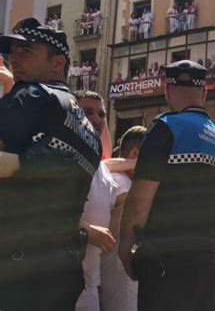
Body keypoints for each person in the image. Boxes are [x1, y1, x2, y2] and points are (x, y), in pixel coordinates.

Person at [0, 17, 102, 310]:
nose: (15, 62)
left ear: (57, 64)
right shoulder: (89, 131)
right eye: (12, 53)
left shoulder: (32, 94)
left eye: (27, 53)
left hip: (14, 261)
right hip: (62, 266)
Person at [119, 60, 215, 311]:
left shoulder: (165, 127)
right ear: (204, 92)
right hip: (208, 262)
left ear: (167, 91)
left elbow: (140, 200)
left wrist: (125, 247)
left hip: (166, 261)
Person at [74, 91, 118, 311]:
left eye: (102, 115)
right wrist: (86, 233)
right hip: (56, 285)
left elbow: (109, 159)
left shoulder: (103, 170)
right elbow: (39, 215)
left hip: (89, 290)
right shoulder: (60, 158)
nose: (96, 119)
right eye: (87, 112)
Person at [101, 126, 146, 311]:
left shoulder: (110, 177)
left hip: (111, 275)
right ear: (136, 153)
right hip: (122, 277)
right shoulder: (123, 186)